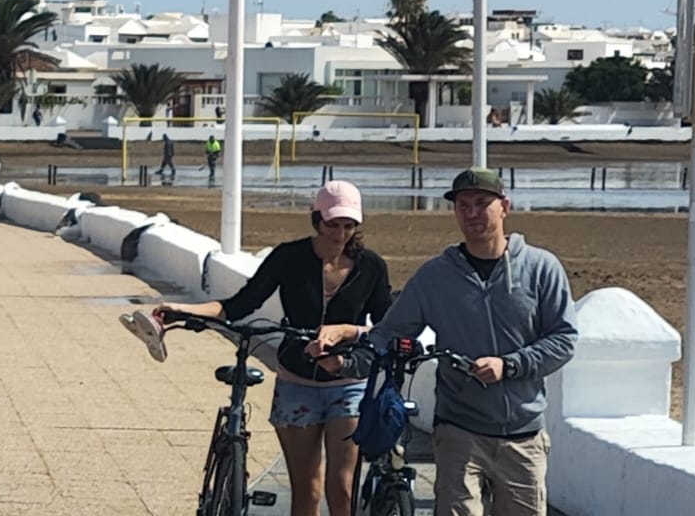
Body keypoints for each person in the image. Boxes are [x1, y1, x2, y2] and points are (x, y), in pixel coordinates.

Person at [315, 169, 577, 516]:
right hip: (458, 431)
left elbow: (564, 338)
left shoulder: (542, 268)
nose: (471, 214)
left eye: (482, 204)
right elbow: (388, 333)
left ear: (504, 207)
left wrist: (509, 364)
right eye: (463, 205)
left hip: (523, 435)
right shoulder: (436, 276)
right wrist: (346, 363)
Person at [155, 182, 391, 516]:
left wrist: (347, 332)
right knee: (307, 490)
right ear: (316, 220)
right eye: (332, 224)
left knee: (342, 490)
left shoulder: (371, 266)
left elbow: (386, 327)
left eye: (348, 225)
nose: (340, 234)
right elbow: (239, 305)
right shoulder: (288, 257)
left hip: (348, 383)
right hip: (297, 383)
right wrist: (185, 310)